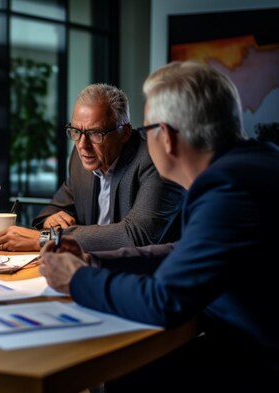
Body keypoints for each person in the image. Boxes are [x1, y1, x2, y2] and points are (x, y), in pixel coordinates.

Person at [39, 61, 279, 391]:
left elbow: (164, 301)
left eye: (146, 130)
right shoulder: (257, 162)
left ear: (164, 136)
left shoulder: (226, 188)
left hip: (258, 360)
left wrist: (76, 278)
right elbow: (183, 251)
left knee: (129, 373)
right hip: (248, 341)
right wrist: (95, 260)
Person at [0, 84, 183, 252]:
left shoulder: (153, 158)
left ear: (125, 132)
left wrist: (48, 239)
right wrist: (51, 220)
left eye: (95, 133)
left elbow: (137, 235)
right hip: (89, 267)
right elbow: (54, 208)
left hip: (145, 277)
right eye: (76, 131)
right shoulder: (81, 158)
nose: (82, 145)